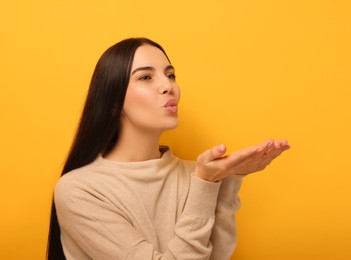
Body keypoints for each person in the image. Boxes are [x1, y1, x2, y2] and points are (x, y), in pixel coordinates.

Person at [47, 37, 290, 260]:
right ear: (113, 101)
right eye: (145, 77)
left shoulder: (197, 175)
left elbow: (218, 256)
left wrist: (227, 181)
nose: (168, 86)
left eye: (170, 75)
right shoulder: (79, 190)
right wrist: (206, 182)